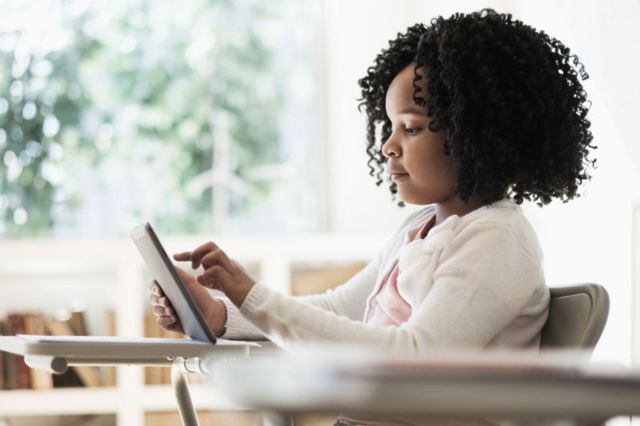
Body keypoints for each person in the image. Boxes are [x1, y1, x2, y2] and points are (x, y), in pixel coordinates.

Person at [149, 4, 595, 378]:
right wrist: (221, 312)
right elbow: (339, 311)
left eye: (411, 128)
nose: (388, 145)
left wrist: (251, 294)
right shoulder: (419, 229)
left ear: (474, 133)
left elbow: (415, 356)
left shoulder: (498, 239)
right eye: (390, 126)